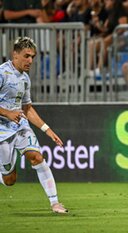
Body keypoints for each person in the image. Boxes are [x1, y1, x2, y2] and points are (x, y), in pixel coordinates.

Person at [0, 37, 68, 214]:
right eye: (26, 56)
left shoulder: (25, 79)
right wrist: (7, 113)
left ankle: (55, 203)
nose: (30, 60)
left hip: (21, 126)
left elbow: (27, 108)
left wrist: (47, 130)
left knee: (37, 157)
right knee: (10, 180)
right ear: (15, 55)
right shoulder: (1, 73)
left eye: (33, 57)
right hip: (2, 130)